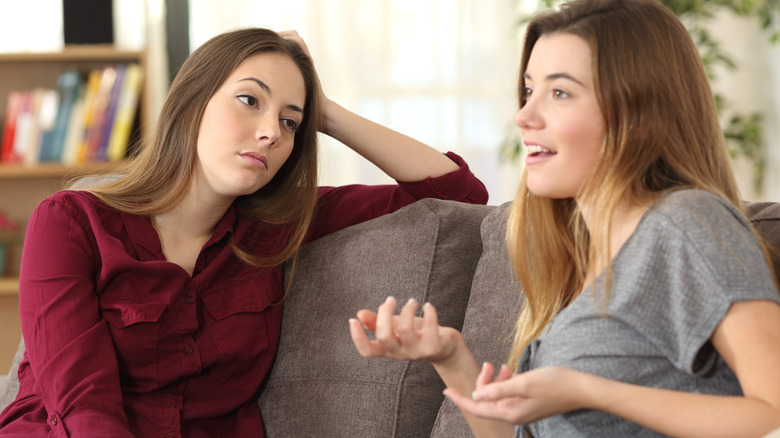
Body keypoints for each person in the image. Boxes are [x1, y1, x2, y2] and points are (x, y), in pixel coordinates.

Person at [0, 28, 488, 437]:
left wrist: (327, 111)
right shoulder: (70, 220)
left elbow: (457, 192)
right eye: (249, 100)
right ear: (192, 102)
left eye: (290, 122)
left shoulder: (275, 229)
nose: (272, 132)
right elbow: (84, 406)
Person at [349, 0, 780, 436]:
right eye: (529, 90)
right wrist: (450, 357)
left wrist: (585, 389)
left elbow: (772, 413)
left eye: (560, 92)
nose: (524, 116)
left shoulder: (688, 223)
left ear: (640, 116)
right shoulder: (584, 256)